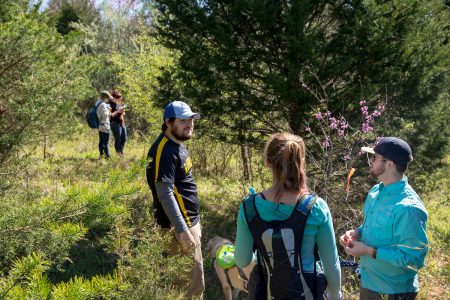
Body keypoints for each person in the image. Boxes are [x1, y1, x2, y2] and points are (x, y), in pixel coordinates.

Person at [235, 132, 342, 300]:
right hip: (308, 291)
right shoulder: (317, 207)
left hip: (266, 291)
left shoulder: (249, 208)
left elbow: (242, 260)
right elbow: (331, 264)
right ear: (302, 162)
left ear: (268, 162)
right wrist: (336, 295)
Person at [339, 137, 428, 300]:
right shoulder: (375, 191)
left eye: (374, 157)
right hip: (369, 282)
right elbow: (379, 228)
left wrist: (368, 251)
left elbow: (414, 260)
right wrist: (356, 233)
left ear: (389, 164)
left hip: (393, 291)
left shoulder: (408, 208)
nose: (370, 162)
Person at [146, 100, 204, 298]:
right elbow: (165, 193)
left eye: (191, 119)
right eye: (183, 120)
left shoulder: (177, 145)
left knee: (191, 284)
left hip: (189, 224)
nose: (189, 124)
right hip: (180, 229)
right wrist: (182, 230)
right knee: (190, 289)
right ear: (168, 122)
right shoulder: (165, 151)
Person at [96, 91, 113, 159]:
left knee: (101, 141)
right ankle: (107, 156)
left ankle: (101, 155)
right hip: (105, 125)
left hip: (101, 125)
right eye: (108, 98)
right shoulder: (102, 105)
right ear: (105, 98)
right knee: (105, 142)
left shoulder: (98, 103)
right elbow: (105, 115)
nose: (108, 100)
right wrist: (109, 111)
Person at [110, 89, 127, 157]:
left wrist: (123, 111)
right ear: (114, 98)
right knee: (118, 139)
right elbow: (110, 115)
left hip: (121, 122)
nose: (120, 100)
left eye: (120, 99)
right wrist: (118, 111)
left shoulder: (119, 103)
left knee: (124, 138)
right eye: (118, 99)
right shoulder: (110, 105)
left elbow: (123, 113)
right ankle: (118, 153)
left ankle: (121, 151)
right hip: (115, 123)